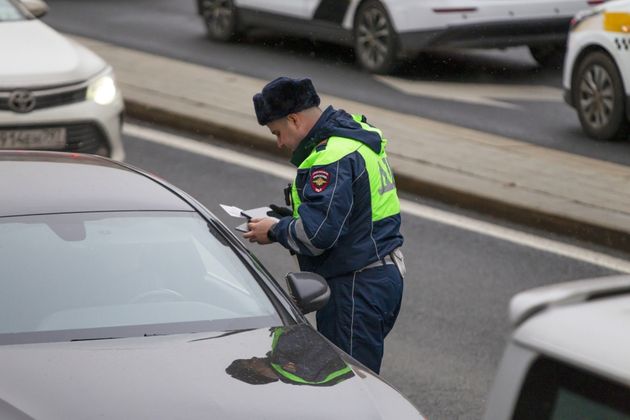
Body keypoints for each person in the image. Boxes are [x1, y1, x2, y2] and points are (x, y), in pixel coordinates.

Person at [244, 76, 405, 374]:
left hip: (355, 287)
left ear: (294, 119)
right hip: (381, 274)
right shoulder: (356, 134)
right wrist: (288, 218)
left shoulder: (331, 157)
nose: (279, 143)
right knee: (355, 378)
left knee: (349, 385)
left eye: (277, 132)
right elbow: (354, 212)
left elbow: (318, 235)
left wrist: (276, 230)